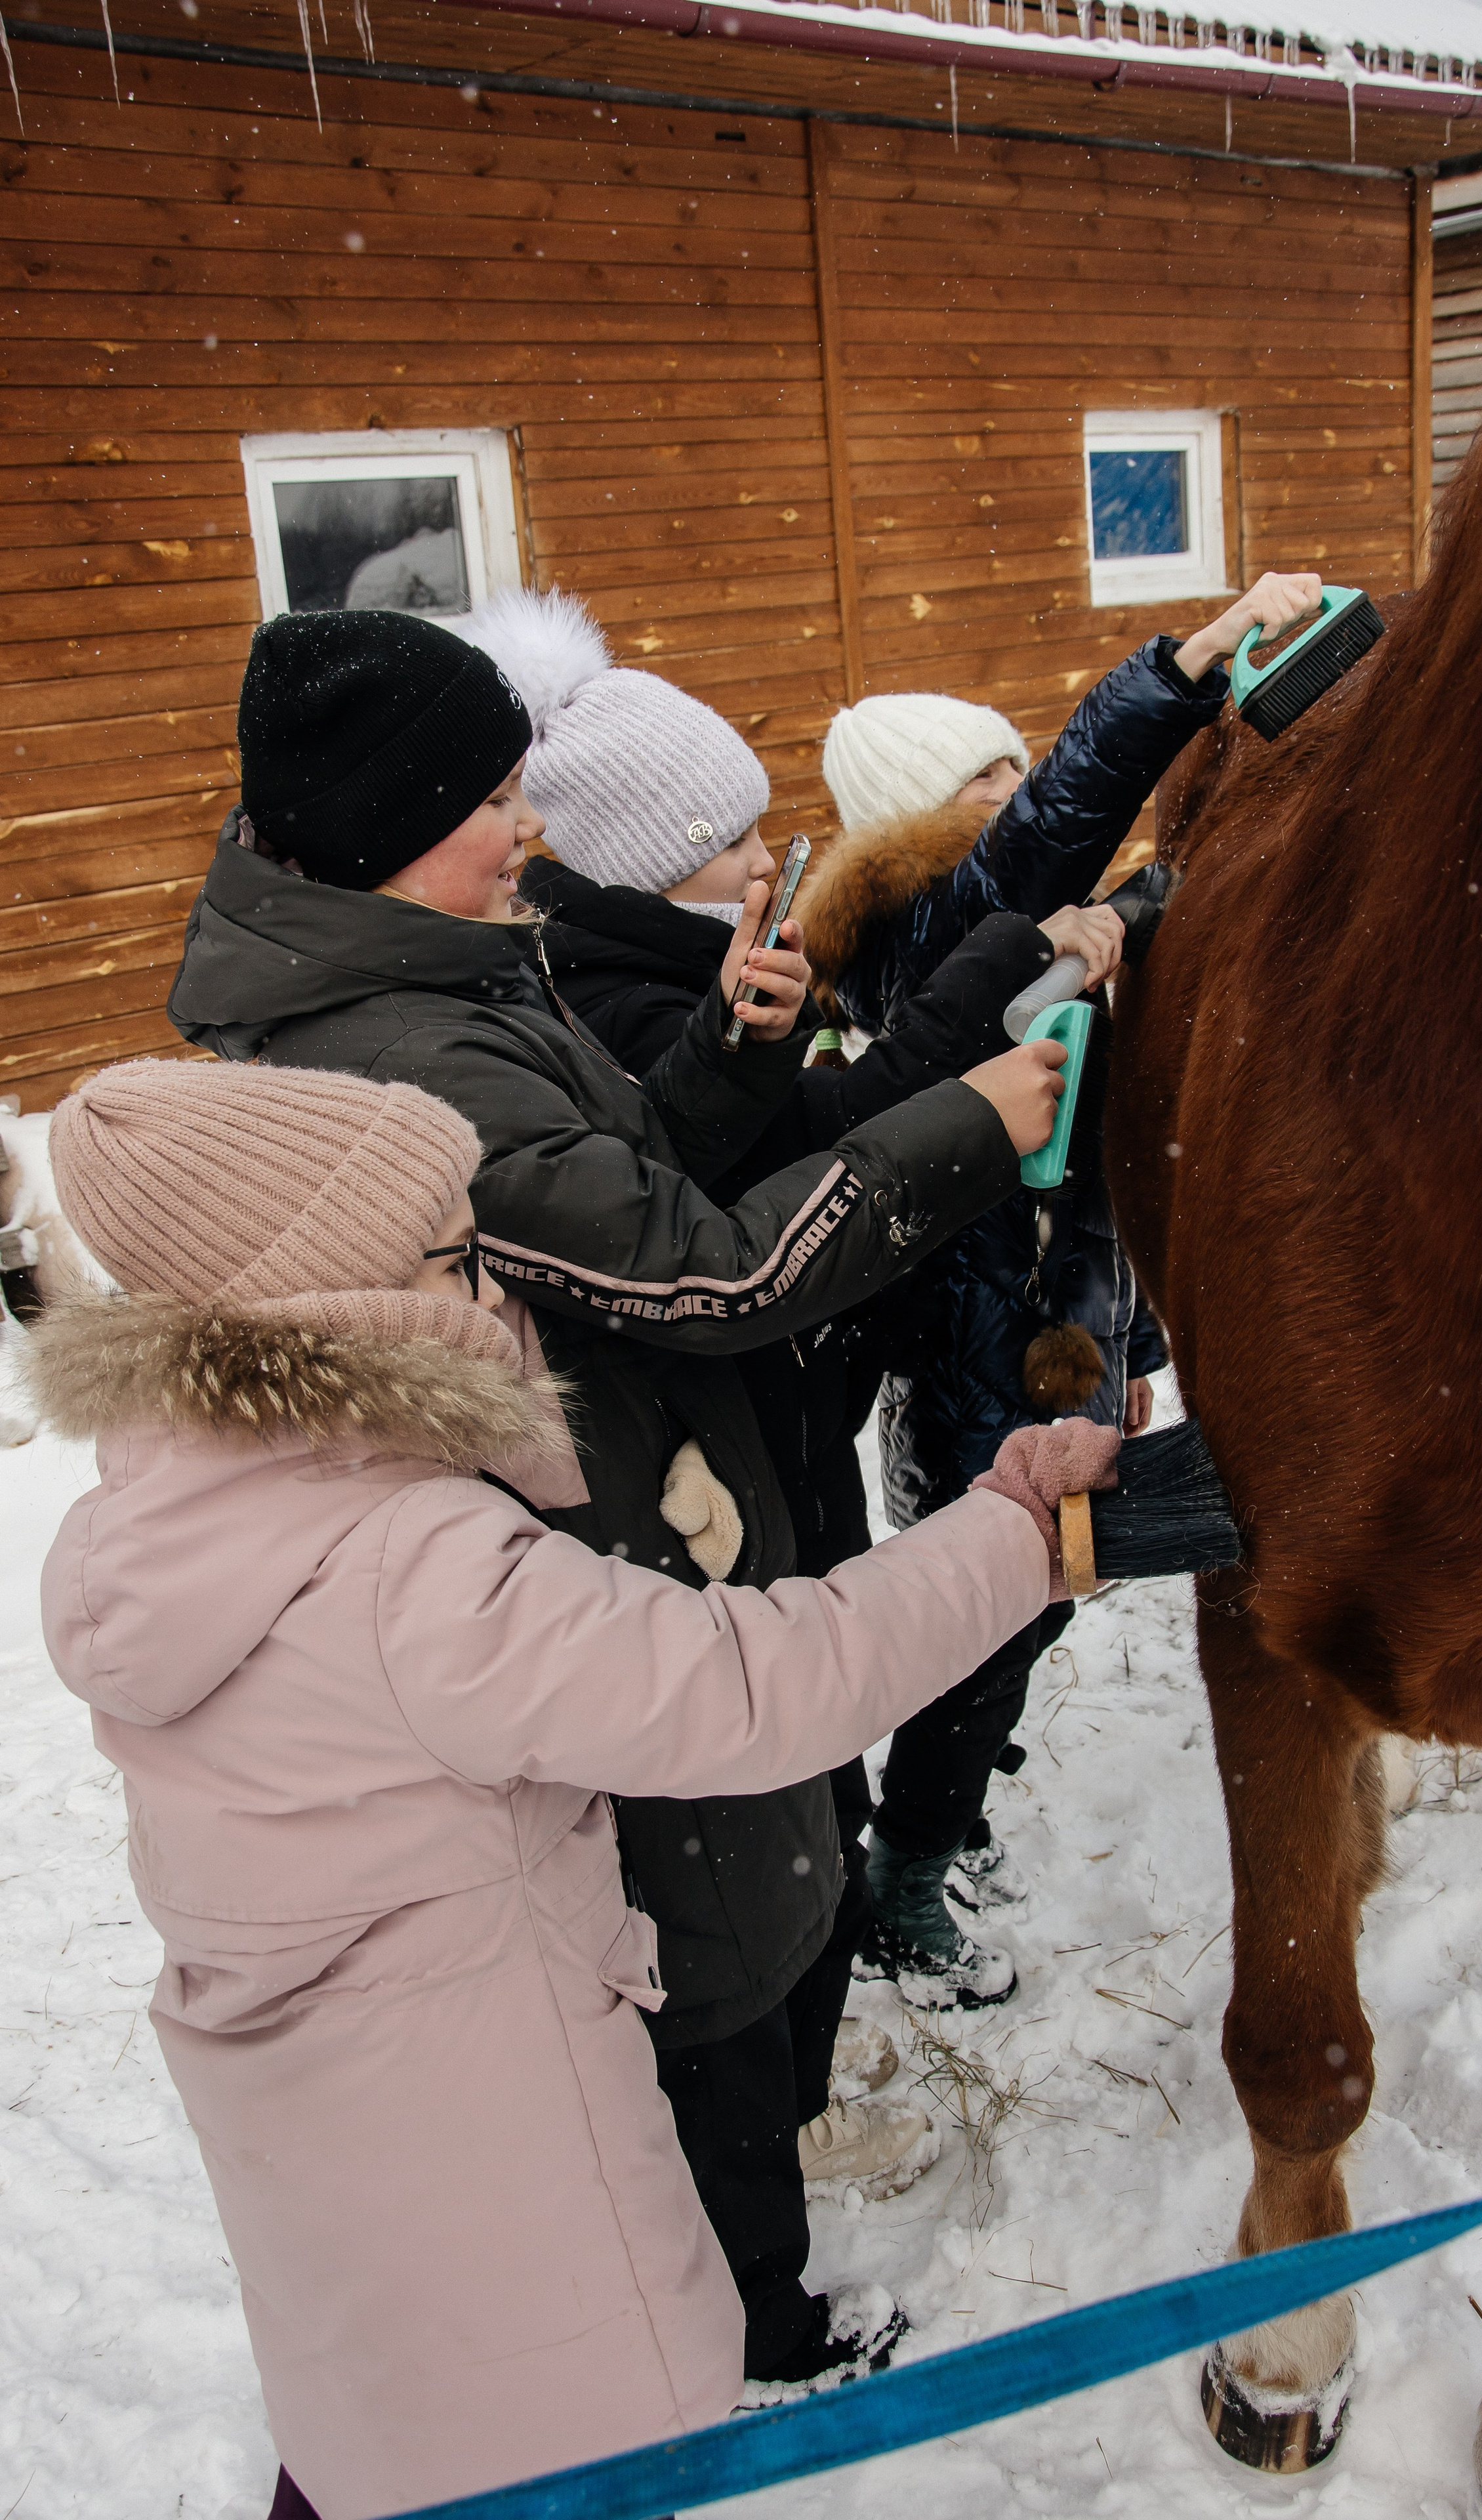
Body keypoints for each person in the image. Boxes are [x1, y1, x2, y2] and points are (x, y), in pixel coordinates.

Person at [164, 606, 1065, 2392]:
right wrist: (973, 1121)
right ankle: (752, 2328)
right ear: (382, 821)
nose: (529, 830)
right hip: (600, 1520)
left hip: (654, 1471)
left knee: (759, 1878)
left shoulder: (434, 968)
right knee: (718, 1941)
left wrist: (729, 1057)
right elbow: (706, 1272)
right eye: (494, 799)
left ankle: (745, 2240)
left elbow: (616, 1176)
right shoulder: (401, 1057)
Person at [26, 1055, 1119, 2520]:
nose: (491, 1289)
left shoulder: (171, 1517)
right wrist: (1013, 1529)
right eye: (448, 1257)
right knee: (530, 2449)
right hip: (504, 2204)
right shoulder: (399, 1570)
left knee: (388, 2439)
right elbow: (759, 1691)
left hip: (346, 2203)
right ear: (335, 1301)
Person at [462, 585, 1128, 2158]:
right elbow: (793, 1181)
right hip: (761, 1414)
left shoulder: (728, 966)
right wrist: (982, 1073)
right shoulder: (653, 992)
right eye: (726, 836)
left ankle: (860, 1898)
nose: (768, 855)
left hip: (825, 1387)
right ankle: (827, 2003)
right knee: (850, 1701)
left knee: (887, 1674)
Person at [804, 571, 1326, 2006]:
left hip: (1047, 1338)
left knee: (1019, 1613)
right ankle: (903, 1881)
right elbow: (1054, 830)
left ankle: (942, 1808)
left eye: (1015, 760)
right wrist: (1178, 674)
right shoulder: (925, 930)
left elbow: (1096, 1179)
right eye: (989, 775)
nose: (1020, 783)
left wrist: (1128, 1341)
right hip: (979, 1354)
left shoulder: (1012, 937)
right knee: (990, 1618)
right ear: (921, 815)